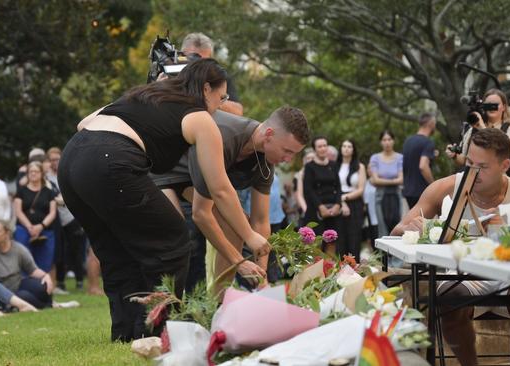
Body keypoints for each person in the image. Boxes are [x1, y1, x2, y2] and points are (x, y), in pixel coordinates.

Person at [57, 58, 271, 342]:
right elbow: (220, 188)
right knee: (173, 242)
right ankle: (159, 330)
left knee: (116, 251)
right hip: (110, 160)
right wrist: (250, 236)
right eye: (222, 97)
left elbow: (83, 122)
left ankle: (127, 334)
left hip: (71, 160)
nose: (221, 104)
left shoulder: (144, 94)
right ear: (206, 89)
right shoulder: (199, 116)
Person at [391, 129, 510, 366]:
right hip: (460, 274)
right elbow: (397, 230)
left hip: (508, 274)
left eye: (482, 166)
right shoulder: (446, 187)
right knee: (449, 295)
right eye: (469, 162)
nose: (473, 171)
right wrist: (419, 228)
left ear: (505, 165)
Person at [154, 107, 308, 289]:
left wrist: (262, 275)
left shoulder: (265, 164)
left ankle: (220, 303)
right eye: (287, 151)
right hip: (166, 173)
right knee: (179, 245)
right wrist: (239, 262)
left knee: (237, 224)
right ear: (268, 134)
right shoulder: (225, 137)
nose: (289, 159)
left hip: (197, 186)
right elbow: (202, 213)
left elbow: (260, 221)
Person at [0, 220, 54, 309]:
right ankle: (48, 305)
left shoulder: (19, 249)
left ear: (7, 233)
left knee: (42, 287)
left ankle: (49, 303)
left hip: (17, 284)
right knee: (25, 296)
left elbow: (32, 270)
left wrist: (46, 276)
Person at [446, 88, 510, 180]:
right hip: (477, 182)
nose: (491, 107)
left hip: (504, 182)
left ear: (504, 107)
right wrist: (454, 155)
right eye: (488, 105)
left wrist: (483, 129)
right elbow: (464, 160)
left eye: (495, 105)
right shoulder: (473, 129)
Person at [45, 147, 88, 292]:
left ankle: (80, 279)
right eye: (52, 160)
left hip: (71, 217)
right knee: (60, 251)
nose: (55, 162)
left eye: (57, 159)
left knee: (76, 250)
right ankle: (61, 281)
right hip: (57, 218)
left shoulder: (68, 173)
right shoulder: (46, 178)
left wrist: (62, 200)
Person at [302, 136, 348, 254]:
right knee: (316, 246)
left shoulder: (333, 165)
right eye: (319, 146)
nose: (323, 148)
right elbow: (308, 190)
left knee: (332, 244)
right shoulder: (309, 167)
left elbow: (338, 187)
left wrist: (338, 205)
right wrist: (320, 207)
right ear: (314, 149)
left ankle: (330, 270)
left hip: (334, 210)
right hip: (316, 211)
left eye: (324, 146)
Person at [181, 32, 243, 116]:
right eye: (193, 59)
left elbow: (238, 111)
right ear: (181, 56)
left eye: (204, 62)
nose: (198, 66)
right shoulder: (169, 74)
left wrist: (212, 98)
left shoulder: (216, 77)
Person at [13, 161, 57, 273]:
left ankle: (43, 288)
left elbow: (52, 213)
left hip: (45, 231)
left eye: (36, 171)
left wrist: (40, 226)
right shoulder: (21, 191)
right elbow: (18, 211)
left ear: (42, 174)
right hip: (23, 231)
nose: (33, 174)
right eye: (30, 171)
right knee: (24, 262)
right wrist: (30, 227)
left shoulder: (49, 192)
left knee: (44, 263)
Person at [369, 130, 403, 238]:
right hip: (380, 195)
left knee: (397, 227)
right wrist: (393, 181)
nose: (387, 142)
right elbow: (375, 180)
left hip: (396, 195)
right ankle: (383, 255)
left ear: (393, 141)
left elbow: (401, 179)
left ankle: (395, 255)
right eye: (384, 140)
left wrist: (382, 181)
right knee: (382, 228)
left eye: (389, 139)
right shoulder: (375, 158)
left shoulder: (400, 157)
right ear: (381, 142)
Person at [336, 139, 366, 259]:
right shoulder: (335, 165)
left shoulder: (360, 166)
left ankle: (355, 270)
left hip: (355, 203)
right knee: (340, 238)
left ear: (353, 150)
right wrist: (341, 201)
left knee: (354, 237)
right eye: (344, 146)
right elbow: (334, 187)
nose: (346, 148)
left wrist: (345, 197)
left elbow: (360, 189)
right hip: (338, 202)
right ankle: (340, 270)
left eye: (349, 146)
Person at [402, 113, 436, 209]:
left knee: (414, 222)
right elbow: (423, 166)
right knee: (423, 223)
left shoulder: (408, 141)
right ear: (431, 124)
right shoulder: (428, 142)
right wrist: (433, 185)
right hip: (421, 192)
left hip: (408, 191)